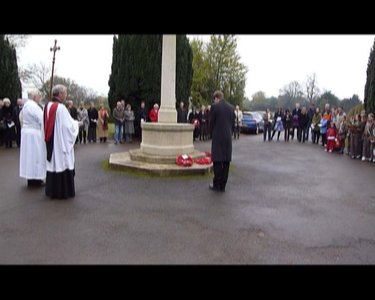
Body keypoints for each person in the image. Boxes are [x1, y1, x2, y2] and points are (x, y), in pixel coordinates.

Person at [44, 84, 80, 199]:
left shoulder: (47, 106)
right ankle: (63, 191)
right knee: (62, 162)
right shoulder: (61, 108)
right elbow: (68, 127)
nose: (66, 95)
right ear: (60, 94)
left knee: (54, 164)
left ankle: (52, 191)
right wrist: (76, 124)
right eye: (65, 93)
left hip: (51, 142)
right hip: (60, 143)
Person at [209, 90, 235, 192]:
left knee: (217, 160)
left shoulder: (215, 107)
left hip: (218, 136)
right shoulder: (231, 108)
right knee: (226, 160)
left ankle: (217, 184)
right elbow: (233, 123)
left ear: (216, 98)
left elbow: (212, 122)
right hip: (228, 137)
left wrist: (212, 134)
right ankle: (223, 185)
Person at [19, 90, 46, 187]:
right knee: (36, 156)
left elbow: (20, 118)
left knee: (28, 157)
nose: (40, 98)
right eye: (39, 96)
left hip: (27, 133)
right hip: (34, 134)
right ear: (34, 97)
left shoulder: (25, 106)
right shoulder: (34, 107)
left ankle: (30, 178)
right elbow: (42, 119)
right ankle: (36, 178)